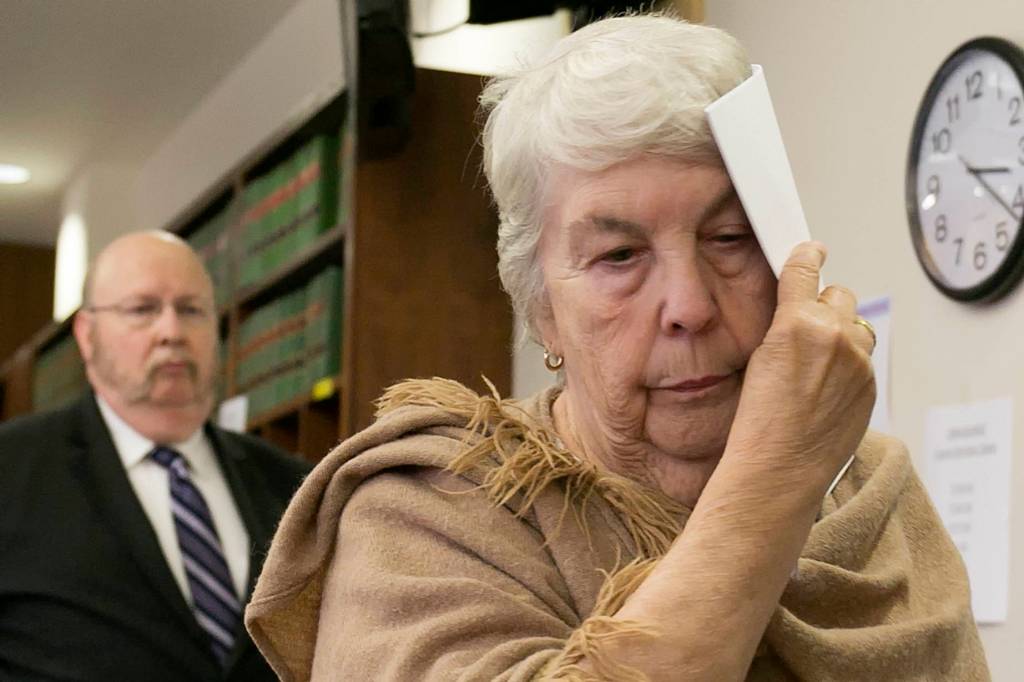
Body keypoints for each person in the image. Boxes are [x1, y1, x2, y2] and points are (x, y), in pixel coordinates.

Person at [245, 14, 988, 681]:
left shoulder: (871, 487)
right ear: (543, 312)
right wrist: (778, 474)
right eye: (619, 258)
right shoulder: (428, 511)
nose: (690, 307)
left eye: (729, 239)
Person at [0, 231, 310, 681]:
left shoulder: (293, 486)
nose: (172, 332)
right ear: (87, 335)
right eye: (143, 309)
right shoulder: (10, 469)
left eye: (191, 310)